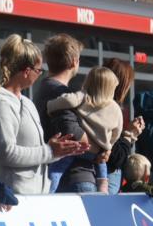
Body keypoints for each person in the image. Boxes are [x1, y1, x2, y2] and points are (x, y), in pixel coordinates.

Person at [0, 35, 86, 194]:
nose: (41, 74)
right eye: (39, 70)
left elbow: (37, 152)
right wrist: (49, 151)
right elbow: (7, 153)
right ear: (27, 71)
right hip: (11, 196)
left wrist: (60, 150)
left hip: (34, 195)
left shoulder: (26, 102)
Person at [47, 67, 124, 193]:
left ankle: (48, 191)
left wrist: (50, 106)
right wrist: (108, 146)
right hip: (99, 152)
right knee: (102, 170)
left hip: (77, 147)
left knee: (57, 168)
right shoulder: (115, 108)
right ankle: (103, 187)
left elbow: (66, 100)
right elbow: (117, 131)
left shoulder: (83, 97)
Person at [33, 33, 82, 140]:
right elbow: (72, 134)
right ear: (74, 62)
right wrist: (98, 148)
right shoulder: (61, 93)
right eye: (79, 59)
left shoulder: (44, 86)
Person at [102, 58, 135, 193]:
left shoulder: (97, 104)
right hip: (108, 176)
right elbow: (116, 157)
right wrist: (129, 135)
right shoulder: (110, 108)